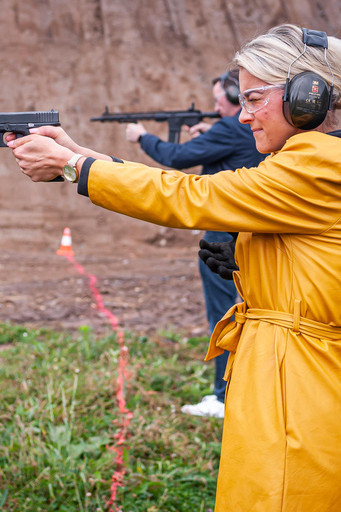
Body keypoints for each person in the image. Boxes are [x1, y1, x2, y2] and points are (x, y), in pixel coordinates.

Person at [4, 23, 341, 511]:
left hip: (293, 385)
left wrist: (72, 168)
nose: (244, 116)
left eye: (254, 99)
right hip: (280, 373)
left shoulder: (319, 165)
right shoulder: (307, 160)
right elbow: (187, 190)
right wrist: (78, 152)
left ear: (307, 95)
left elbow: (191, 196)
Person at [125, 69, 266, 419]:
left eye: (220, 97)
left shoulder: (229, 128)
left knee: (221, 316)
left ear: (236, 97)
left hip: (221, 235)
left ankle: (222, 397)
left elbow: (175, 159)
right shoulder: (250, 130)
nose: (216, 104)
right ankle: (246, 389)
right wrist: (211, 134)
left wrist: (142, 137)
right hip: (253, 233)